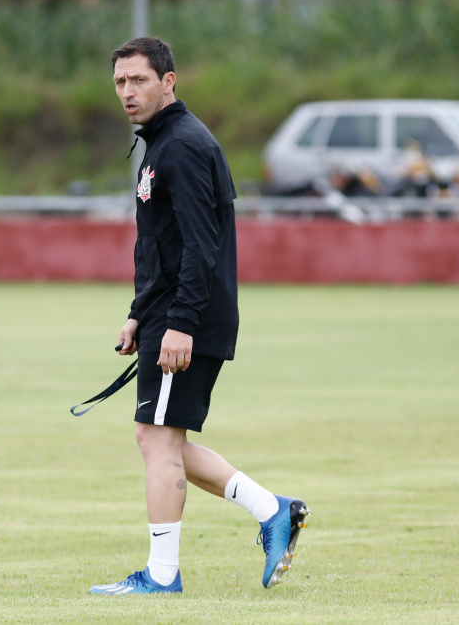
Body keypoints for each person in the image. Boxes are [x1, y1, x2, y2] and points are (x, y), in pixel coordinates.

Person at [88, 38, 310, 596]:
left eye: (138, 80)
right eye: (119, 82)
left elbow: (200, 244)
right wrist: (139, 314)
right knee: (157, 439)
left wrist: (180, 322)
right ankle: (273, 509)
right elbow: (159, 244)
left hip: (188, 318)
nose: (127, 92)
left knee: (158, 442)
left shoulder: (183, 145)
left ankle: (162, 577)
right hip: (168, 314)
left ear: (169, 81)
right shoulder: (161, 145)